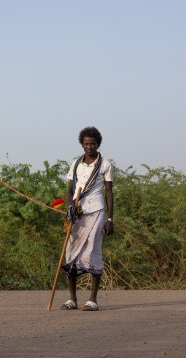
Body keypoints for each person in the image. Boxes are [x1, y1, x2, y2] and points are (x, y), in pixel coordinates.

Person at [60, 126, 114, 311]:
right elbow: (69, 190)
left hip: (97, 212)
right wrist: (70, 209)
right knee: (71, 253)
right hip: (77, 213)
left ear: (98, 144)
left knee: (93, 251)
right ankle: (72, 299)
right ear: (82, 145)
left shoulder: (105, 164)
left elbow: (108, 192)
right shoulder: (76, 164)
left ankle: (92, 300)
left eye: (92, 144)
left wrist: (110, 219)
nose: (89, 147)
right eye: (86, 144)